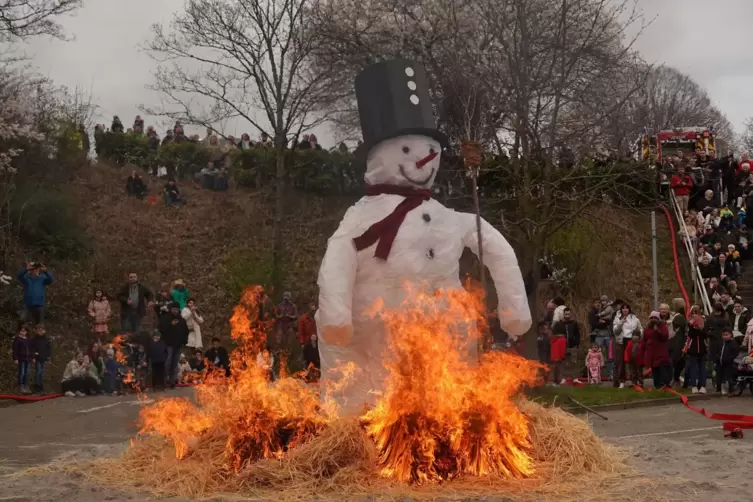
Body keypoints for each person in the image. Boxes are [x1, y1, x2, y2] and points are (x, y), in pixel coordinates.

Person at [159, 302, 189, 388]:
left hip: (178, 345)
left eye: (176, 309)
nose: (175, 311)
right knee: (167, 364)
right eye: (173, 309)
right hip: (168, 345)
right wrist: (171, 325)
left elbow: (186, 332)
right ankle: (164, 381)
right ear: (170, 309)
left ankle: (172, 381)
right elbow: (162, 330)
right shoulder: (165, 318)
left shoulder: (182, 320)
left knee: (175, 364)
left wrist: (184, 341)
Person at [612, 303, 641, 388]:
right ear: (621, 310)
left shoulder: (634, 318)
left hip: (631, 341)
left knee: (633, 361)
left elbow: (640, 329)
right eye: (623, 308)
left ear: (629, 309)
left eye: (627, 308)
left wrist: (638, 336)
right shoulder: (617, 318)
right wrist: (621, 322)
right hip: (621, 341)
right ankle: (621, 381)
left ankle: (634, 380)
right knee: (620, 361)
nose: (625, 310)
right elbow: (615, 331)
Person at [641, 311, 671, 389]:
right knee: (655, 368)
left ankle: (664, 383)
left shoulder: (662, 326)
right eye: (652, 318)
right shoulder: (647, 328)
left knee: (662, 368)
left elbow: (665, 336)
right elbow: (644, 339)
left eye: (655, 318)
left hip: (660, 351)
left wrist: (657, 330)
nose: (653, 319)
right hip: (651, 352)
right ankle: (657, 384)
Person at [17, 262, 53, 326]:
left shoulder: (42, 278)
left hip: (39, 304)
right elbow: (19, 276)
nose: (35, 270)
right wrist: (26, 269)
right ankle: (21, 334)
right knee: (21, 320)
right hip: (28, 304)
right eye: (33, 269)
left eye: (37, 269)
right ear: (31, 270)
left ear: (39, 270)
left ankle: (39, 335)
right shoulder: (26, 278)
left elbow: (51, 280)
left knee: (40, 324)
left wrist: (46, 271)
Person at [685, 314, 708, 394]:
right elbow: (690, 334)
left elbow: (705, 335)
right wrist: (693, 326)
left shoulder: (704, 330)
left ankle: (702, 386)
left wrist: (701, 328)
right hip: (693, 351)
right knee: (693, 368)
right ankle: (694, 386)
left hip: (702, 351)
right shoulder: (691, 330)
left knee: (702, 368)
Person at [717, 328, 740, 395]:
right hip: (721, 362)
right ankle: (721, 388)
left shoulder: (733, 343)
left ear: (731, 335)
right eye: (723, 335)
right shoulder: (721, 343)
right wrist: (717, 358)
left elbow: (735, 353)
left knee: (729, 377)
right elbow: (719, 351)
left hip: (730, 363)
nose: (725, 336)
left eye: (726, 335)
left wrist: (730, 358)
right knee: (721, 376)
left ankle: (731, 390)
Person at [30, 325, 51, 394]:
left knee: (42, 373)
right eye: (39, 330)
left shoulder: (46, 339)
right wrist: (33, 357)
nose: (40, 331)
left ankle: (41, 386)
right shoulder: (34, 339)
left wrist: (48, 356)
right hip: (37, 358)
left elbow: (48, 348)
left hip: (43, 358)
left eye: (42, 330)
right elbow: (32, 349)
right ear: (36, 331)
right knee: (38, 372)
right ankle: (37, 386)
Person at [12, 326, 31, 394]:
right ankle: (20, 386)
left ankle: (26, 386)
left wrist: (31, 357)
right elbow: (15, 350)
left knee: (27, 373)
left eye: (24, 331)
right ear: (19, 331)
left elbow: (30, 349)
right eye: (22, 331)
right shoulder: (17, 339)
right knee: (21, 373)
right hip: (21, 359)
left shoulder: (28, 339)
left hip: (28, 359)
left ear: (26, 332)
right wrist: (15, 358)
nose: (23, 332)